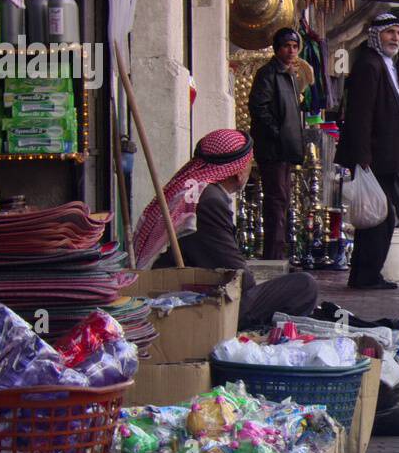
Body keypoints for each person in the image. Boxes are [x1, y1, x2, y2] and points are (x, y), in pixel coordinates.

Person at [133, 129, 318, 330]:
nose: (250, 169)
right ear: (238, 172)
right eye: (249, 163)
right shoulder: (210, 201)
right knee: (304, 286)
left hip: (183, 288)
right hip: (191, 304)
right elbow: (241, 279)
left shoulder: (197, 192)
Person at [334, 13, 399, 290]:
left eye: (398, 33)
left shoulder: (386, 65)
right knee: (379, 219)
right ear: (376, 35)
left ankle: (363, 274)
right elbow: (361, 115)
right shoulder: (370, 65)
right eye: (389, 32)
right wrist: (363, 157)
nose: (395, 38)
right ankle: (367, 276)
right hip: (374, 157)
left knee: (376, 218)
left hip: (385, 156)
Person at [248, 27, 305, 261]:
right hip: (272, 150)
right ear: (277, 48)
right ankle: (272, 255)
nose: (291, 51)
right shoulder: (268, 73)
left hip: (284, 150)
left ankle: (278, 253)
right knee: (275, 201)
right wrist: (278, 134)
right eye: (286, 46)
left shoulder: (289, 75)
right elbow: (259, 108)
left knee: (282, 202)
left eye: (294, 46)